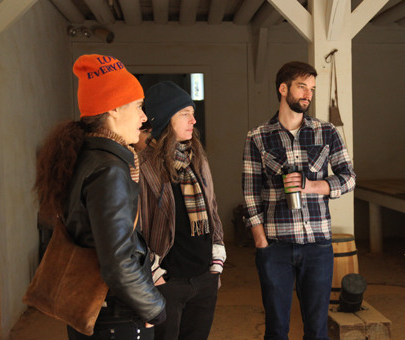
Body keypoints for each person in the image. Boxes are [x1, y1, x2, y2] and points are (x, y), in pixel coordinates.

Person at [33, 54, 166, 339]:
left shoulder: (85, 156)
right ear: (114, 108)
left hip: (96, 309)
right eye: (139, 106)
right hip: (115, 315)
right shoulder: (109, 169)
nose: (144, 117)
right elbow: (118, 261)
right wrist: (154, 307)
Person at [242, 61, 356, 340]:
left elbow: (349, 178)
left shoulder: (326, 131)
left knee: (317, 331)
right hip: (275, 247)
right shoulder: (258, 137)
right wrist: (260, 241)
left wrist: (312, 185)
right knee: (277, 330)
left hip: (317, 245)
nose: (308, 94)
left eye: (312, 89)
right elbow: (249, 191)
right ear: (283, 89)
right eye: (302, 86)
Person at [139, 81, 226, 340]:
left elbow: (212, 210)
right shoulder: (143, 166)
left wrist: (216, 264)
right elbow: (136, 227)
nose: (193, 120)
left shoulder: (195, 158)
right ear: (166, 119)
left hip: (204, 278)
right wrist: (155, 276)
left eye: (193, 112)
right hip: (168, 282)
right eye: (185, 113)